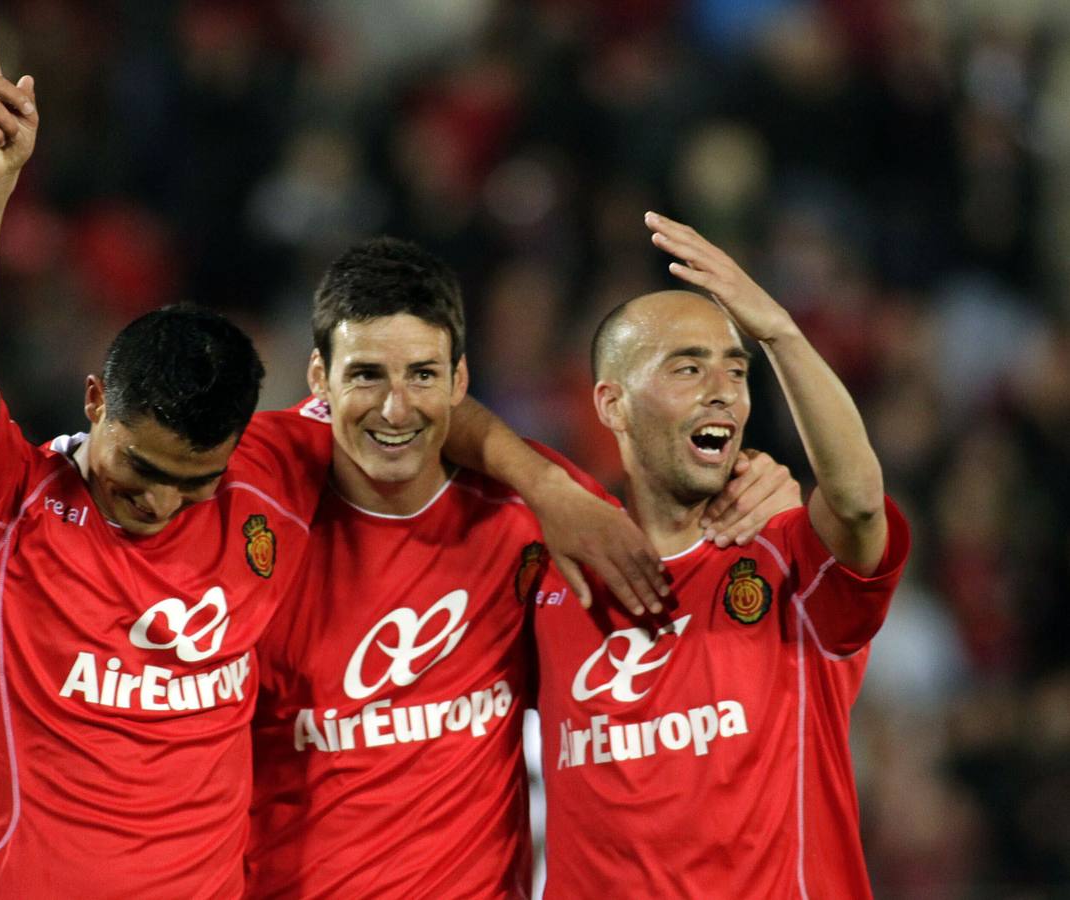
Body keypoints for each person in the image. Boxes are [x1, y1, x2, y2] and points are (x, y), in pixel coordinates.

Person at [0, 18, 684, 897]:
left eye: (190, 483)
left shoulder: (264, 479)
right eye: (138, 471)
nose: (158, 503)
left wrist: (546, 484)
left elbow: (406, 415)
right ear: (93, 405)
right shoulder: (8, 509)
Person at [246, 237, 800, 896]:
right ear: (320, 381)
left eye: (423, 375)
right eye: (364, 375)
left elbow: (674, 556)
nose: (394, 406)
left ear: (458, 380)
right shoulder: (257, 506)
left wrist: (753, 488)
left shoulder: (535, 517)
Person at [534, 212, 912, 897]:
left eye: (734, 371)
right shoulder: (553, 570)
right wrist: (538, 482)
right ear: (611, 405)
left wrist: (779, 333)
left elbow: (856, 502)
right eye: (687, 367)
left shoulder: (788, 554)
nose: (721, 390)